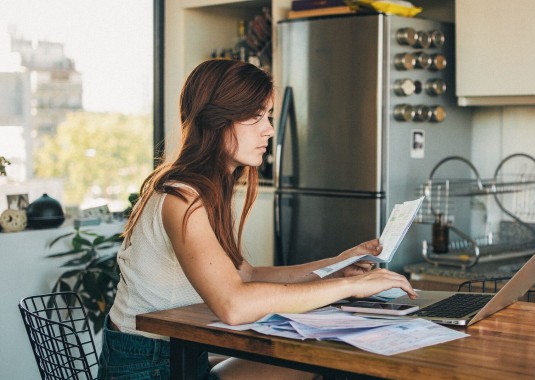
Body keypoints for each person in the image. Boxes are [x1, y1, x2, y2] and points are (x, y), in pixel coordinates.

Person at [98, 59, 417, 380]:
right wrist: (350, 285)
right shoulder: (183, 197)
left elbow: (245, 275)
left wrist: (336, 265)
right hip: (149, 368)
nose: (269, 129)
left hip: (183, 356)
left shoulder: (207, 188)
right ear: (216, 120)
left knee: (320, 362)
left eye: (268, 116)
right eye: (255, 117)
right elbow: (233, 305)